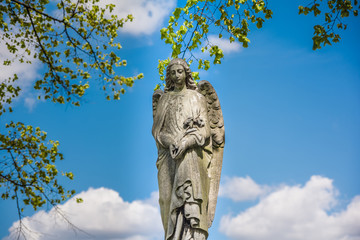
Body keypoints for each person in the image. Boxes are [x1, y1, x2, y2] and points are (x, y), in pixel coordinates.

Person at [152, 58, 213, 240]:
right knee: (166, 200)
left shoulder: (197, 98)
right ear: (169, 76)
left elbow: (206, 130)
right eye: (173, 73)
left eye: (180, 71)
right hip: (168, 156)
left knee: (188, 198)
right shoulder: (164, 100)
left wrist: (186, 143)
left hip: (191, 155)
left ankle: (189, 236)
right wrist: (171, 142)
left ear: (186, 73)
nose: (177, 76)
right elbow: (157, 131)